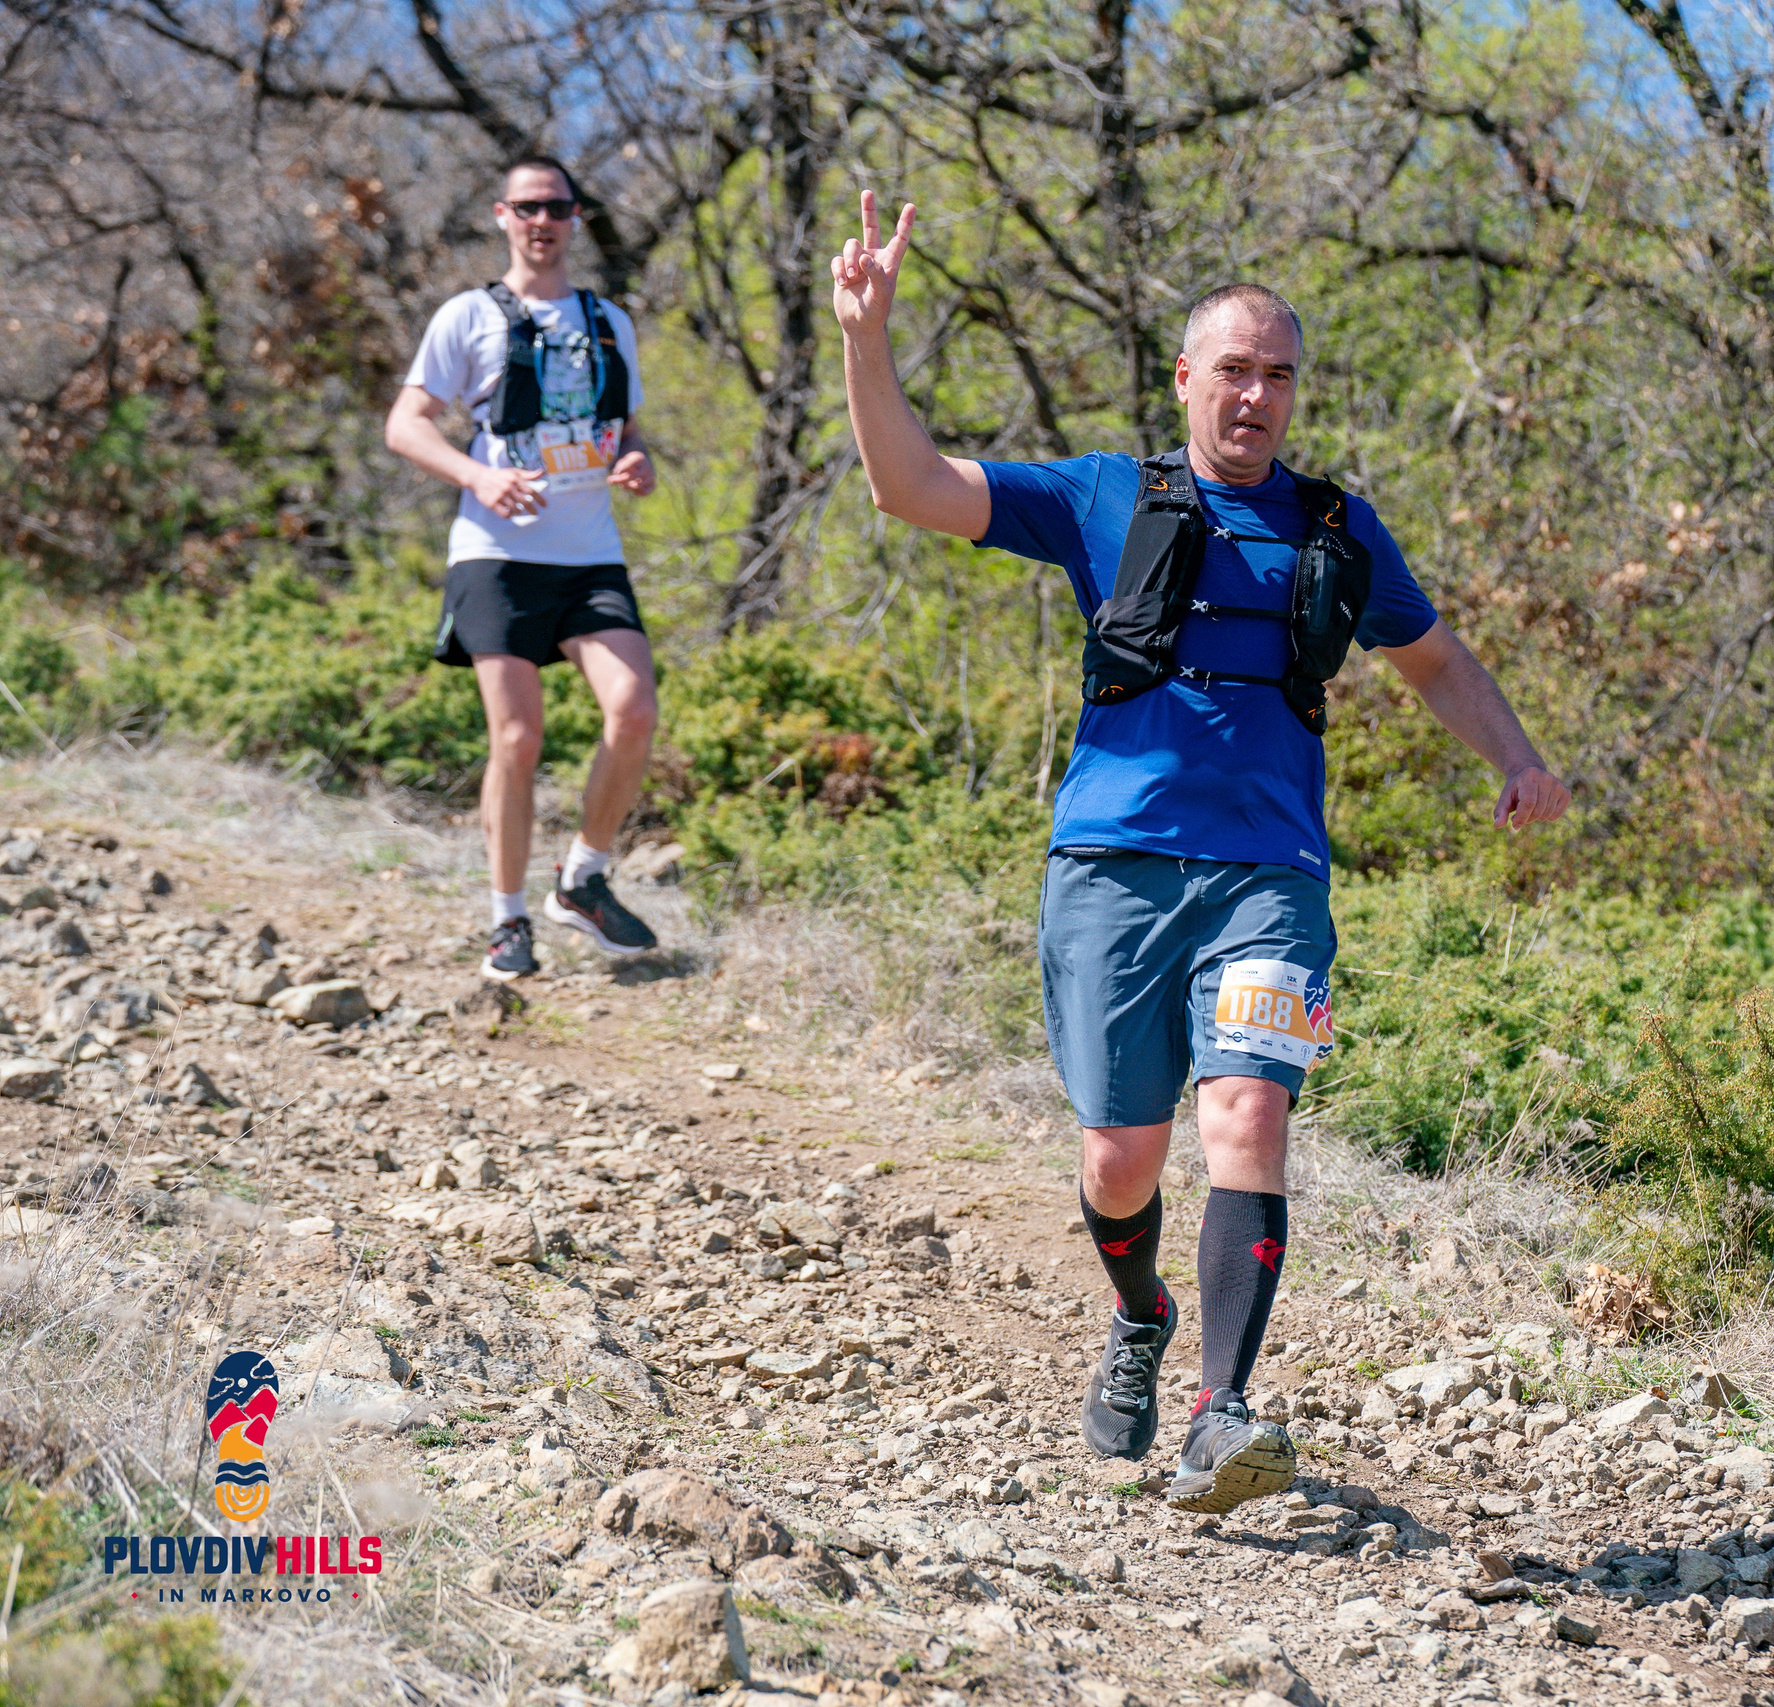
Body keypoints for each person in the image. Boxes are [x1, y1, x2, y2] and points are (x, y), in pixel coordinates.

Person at [831, 191, 1571, 1515]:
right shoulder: (1104, 495)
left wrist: (1515, 756)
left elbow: (1436, 657)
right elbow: (910, 487)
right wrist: (867, 340)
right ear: (1187, 377)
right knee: (1121, 1155)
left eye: (1280, 375)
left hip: (1269, 878)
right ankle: (1139, 1309)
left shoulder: (1337, 529)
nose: (1258, 396)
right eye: (1236, 369)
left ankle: (1222, 1408)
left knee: (1246, 1112)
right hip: (1110, 865)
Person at [384, 153, 663, 982]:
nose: (543, 221)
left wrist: (638, 463)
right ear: (503, 216)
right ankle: (506, 921)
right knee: (517, 736)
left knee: (635, 709)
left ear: (576, 218)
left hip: (588, 556)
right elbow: (406, 424)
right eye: (527, 207)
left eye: (558, 207)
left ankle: (582, 878)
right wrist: (480, 476)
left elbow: (631, 430)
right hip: (495, 556)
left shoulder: (609, 319)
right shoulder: (467, 315)